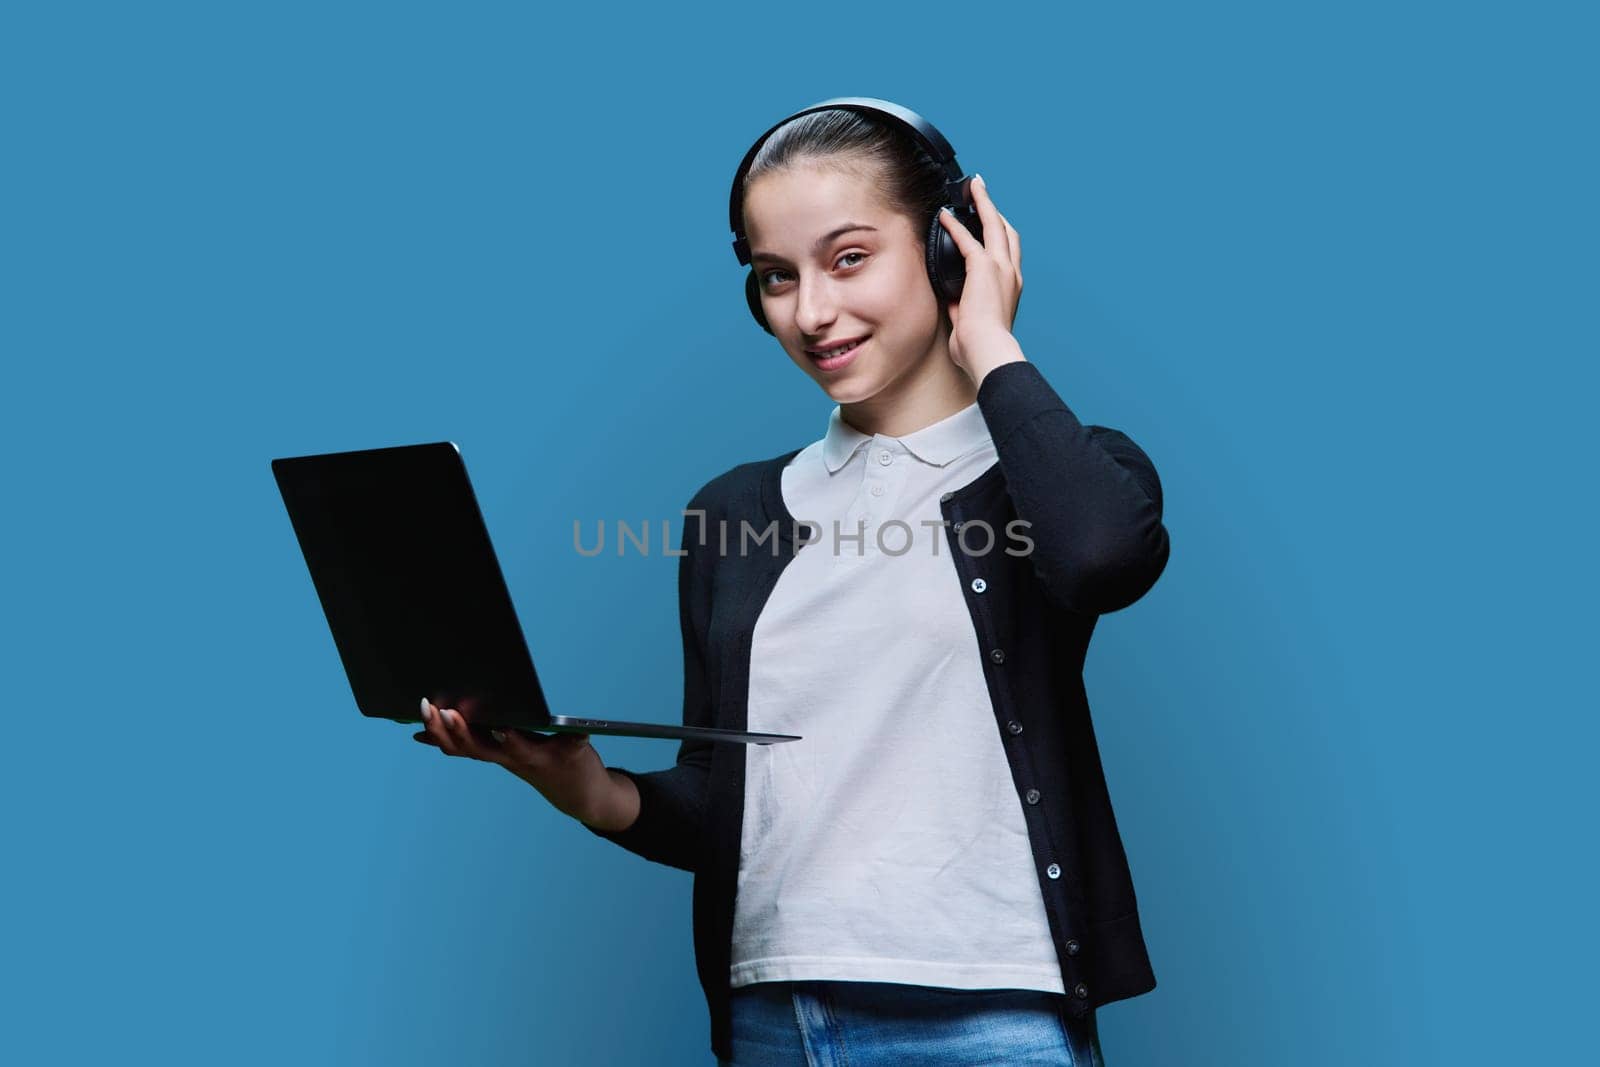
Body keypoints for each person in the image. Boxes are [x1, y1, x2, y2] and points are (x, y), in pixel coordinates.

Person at [416, 100, 1169, 1066]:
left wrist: (990, 342)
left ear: (951, 251)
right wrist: (591, 789)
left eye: (848, 257)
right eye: (777, 278)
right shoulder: (732, 513)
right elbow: (723, 799)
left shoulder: (1061, 472)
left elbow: (1103, 555)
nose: (809, 312)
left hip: (986, 1021)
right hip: (777, 1019)